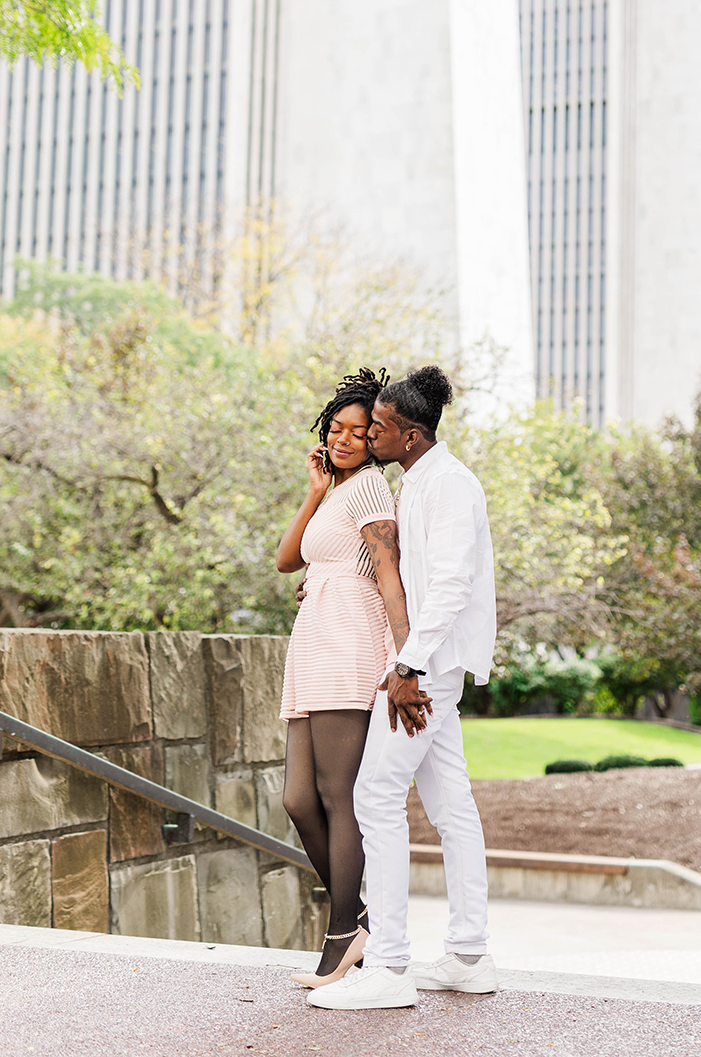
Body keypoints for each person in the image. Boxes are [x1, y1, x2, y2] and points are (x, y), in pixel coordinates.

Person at [308, 365, 499, 1011]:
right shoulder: (420, 481)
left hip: (429, 669)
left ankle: (388, 965)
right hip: (427, 663)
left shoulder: (447, 486)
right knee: (451, 807)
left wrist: (410, 666)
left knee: (374, 794)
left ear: (410, 436)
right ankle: (469, 955)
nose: (370, 435)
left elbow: (449, 585)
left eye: (380, 427)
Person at [274, 367, 413, 989]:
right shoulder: (336, 491)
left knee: (339, 798)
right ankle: (359, 920)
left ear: (375, 438)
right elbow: (286, 561)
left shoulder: (372, 491)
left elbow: (387, 573)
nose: (345, 439)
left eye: (360, 431)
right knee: (298, 800)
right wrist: (312, 489)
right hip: (314, 645)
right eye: (336, 429)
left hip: (350, 645)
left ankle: (341, 936)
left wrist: (403, 659)